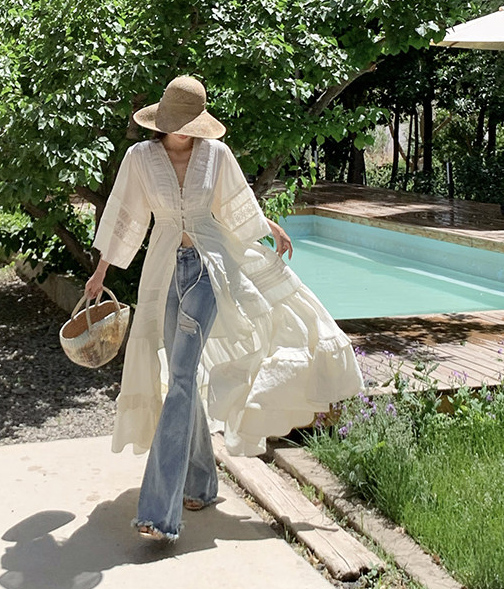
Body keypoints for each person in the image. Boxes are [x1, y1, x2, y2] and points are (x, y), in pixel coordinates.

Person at [85, 76, 363, 541]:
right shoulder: (139, 158)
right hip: (161, 271)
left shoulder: (215, 154)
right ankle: (200, 482)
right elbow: (124, 216)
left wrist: (268, 226)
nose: (183, 129)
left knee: (179, 379)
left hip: (209, 270)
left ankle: (158, 512)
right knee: (182, 377)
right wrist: (100, 272)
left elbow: (236, 207)